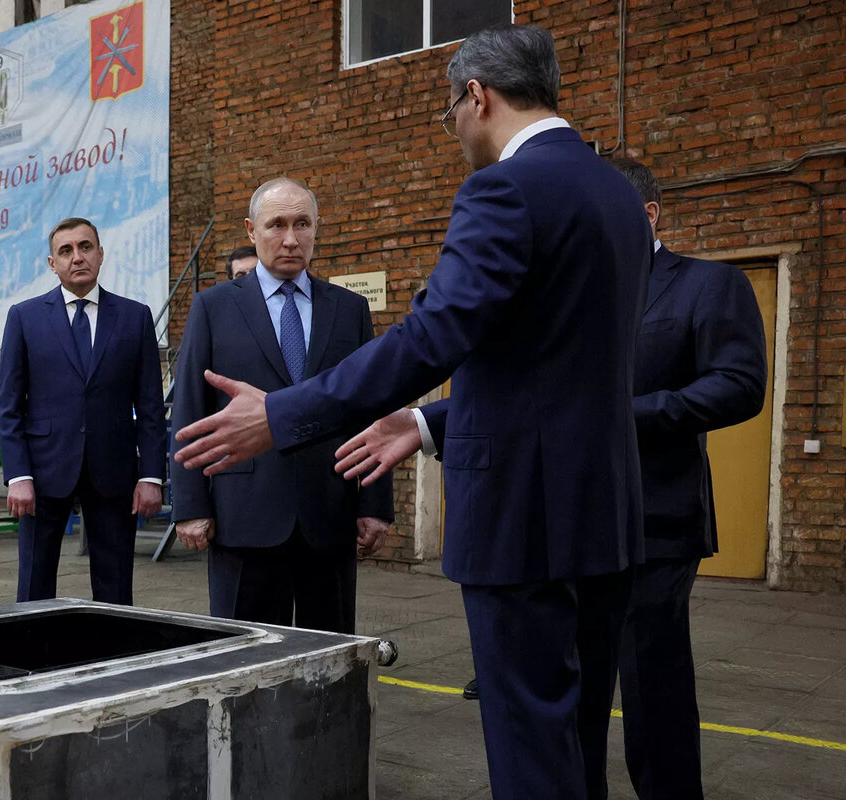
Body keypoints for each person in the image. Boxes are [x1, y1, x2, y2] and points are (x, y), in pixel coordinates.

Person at [174, 24, 653, 800]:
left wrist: (284, 414)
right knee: (576, 738)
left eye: (450, 111)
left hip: (523, 518)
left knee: (529, 745)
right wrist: (426, 422)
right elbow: (559, 366)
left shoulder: (504, 188)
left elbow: (433, 335)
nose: (454, 130)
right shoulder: (618, 196)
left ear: (477, 96)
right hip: (605, 514)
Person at [170, 178, 394, 635]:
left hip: (328, 512)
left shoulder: (348, 309)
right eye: (276, 225)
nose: (290, 239)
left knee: (328, 652)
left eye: (302, 224)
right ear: (251, 230)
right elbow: (191, 408)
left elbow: (370, 409)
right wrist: (189, 505)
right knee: (245, 653)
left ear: (316, 229)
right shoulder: (213, 307)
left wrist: (375, 503)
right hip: (243, 515)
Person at [609, 158, 767, 800]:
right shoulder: (575, 292)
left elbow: (739, 385)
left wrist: (626, 416)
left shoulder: (709, 284)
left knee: (654, 689)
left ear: (649, 215)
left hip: (658, 519)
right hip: (569, 520)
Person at [0, 217, 166, 605]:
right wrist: (18, 475)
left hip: (114, 471)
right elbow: (8, 406)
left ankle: (112, 643)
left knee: (115, 584)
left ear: (100, 254)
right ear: (52, 263)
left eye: (86, 247)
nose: (77, 257)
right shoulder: (25, 317)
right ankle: (32, 644)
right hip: (42, 472)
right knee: (34, 582)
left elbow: (150, 407)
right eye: (66, 250)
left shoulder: (134, 317)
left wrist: (151, 476)